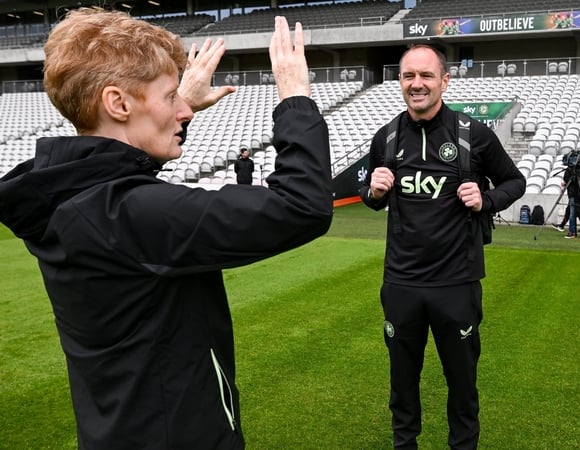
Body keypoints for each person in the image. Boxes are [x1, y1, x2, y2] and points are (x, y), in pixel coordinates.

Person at [0, 10, 332, 450]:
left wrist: (181, 106)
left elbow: (119, 167)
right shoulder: (130, 214)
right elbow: (302, 206)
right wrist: (294, 95)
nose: (181, 108)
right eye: (169, 96)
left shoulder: (68, 194)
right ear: (118, 103)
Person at [360, 44, 525, 450]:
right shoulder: (387, 136)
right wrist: (373, 192)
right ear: (400, 82)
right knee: (402, 382)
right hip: (401, 283)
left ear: (444, 81)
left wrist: (485, 200)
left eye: (426, 76)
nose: (417, 84)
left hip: (457, 283)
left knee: (462, 383)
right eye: (408, 76)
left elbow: (514, 182)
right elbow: (367, 190)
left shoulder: (472, 134)